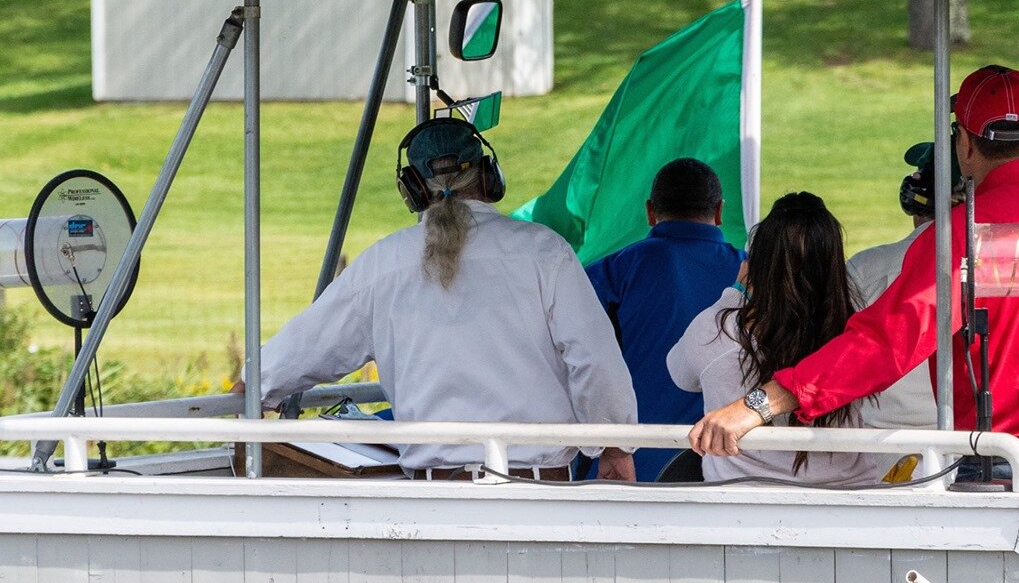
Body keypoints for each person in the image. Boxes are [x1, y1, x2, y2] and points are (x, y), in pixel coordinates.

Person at [690, 65, 1019, 520]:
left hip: (1010, 465)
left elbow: (886, 342)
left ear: (964, 144)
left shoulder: (962, 236)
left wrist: (762, 402)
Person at [254, 116, 639, 480]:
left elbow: (307, 344)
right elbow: (594, 360)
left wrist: (253, 385)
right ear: (488, 176)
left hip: (432, 497)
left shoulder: (382, 264)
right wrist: (614, 448)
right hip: (537, 490)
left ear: (413, 188)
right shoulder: (545, 253)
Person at [667, 192, 885, 487]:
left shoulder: (718, 328)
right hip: (849, 497)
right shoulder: (855, 333)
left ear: (758, 263)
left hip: (742, 504)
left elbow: (680, 374)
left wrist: (734, 293)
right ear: (833, 266)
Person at [585, 158, 744, 480]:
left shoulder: (610, 273)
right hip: (734, 462)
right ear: (719, 211)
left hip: (628, 461)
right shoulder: (754, 273)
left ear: (650, 211)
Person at [845, 141, 940, 433]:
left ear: (914, 198)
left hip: (880, 446)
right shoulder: (1006, 268)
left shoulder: (864, 268)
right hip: (980, 443)